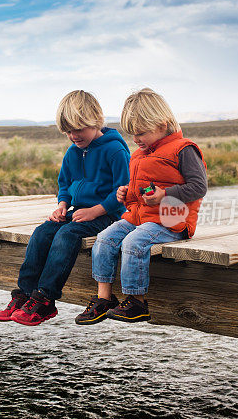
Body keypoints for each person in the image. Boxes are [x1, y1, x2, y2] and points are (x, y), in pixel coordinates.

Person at [0, 90, 130, 326]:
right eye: (68, 131)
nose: (73, 136)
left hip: (108, 216)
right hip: (77, 212)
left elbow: (123, 190)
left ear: (95, 121)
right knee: (43, 231)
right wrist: (62, 205)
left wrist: (96, 210)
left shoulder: (115, 150)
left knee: (66, 234)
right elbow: (65, 184)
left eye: (78, 129)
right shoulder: (72, 152)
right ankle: (25, 294)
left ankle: (45, 298)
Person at [74, 87, 207, 325]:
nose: (135, 140)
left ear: (162, 124)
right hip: (140, 216)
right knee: (104, 238)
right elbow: (141, 191)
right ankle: (104, 298)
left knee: (133, 243)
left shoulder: (183, 149)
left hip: (171, 220)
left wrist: (165, 195)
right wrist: (125, 194)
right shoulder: (139, 154)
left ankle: (137, 301)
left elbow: (199, 187)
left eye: (140, 134)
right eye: (132, 135)